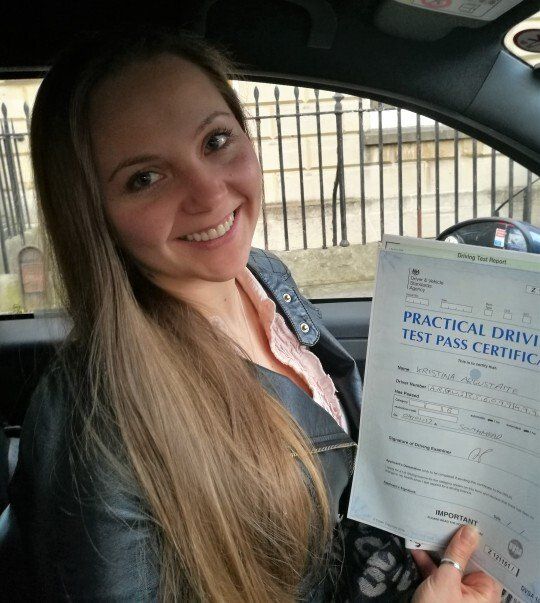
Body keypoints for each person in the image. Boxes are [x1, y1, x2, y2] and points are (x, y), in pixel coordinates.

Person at [8, 26, 502, 602]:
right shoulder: (92, 424)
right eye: (145, 178)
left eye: (216, 141)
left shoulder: (262, 275)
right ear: (93, 212)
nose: (209, 193)